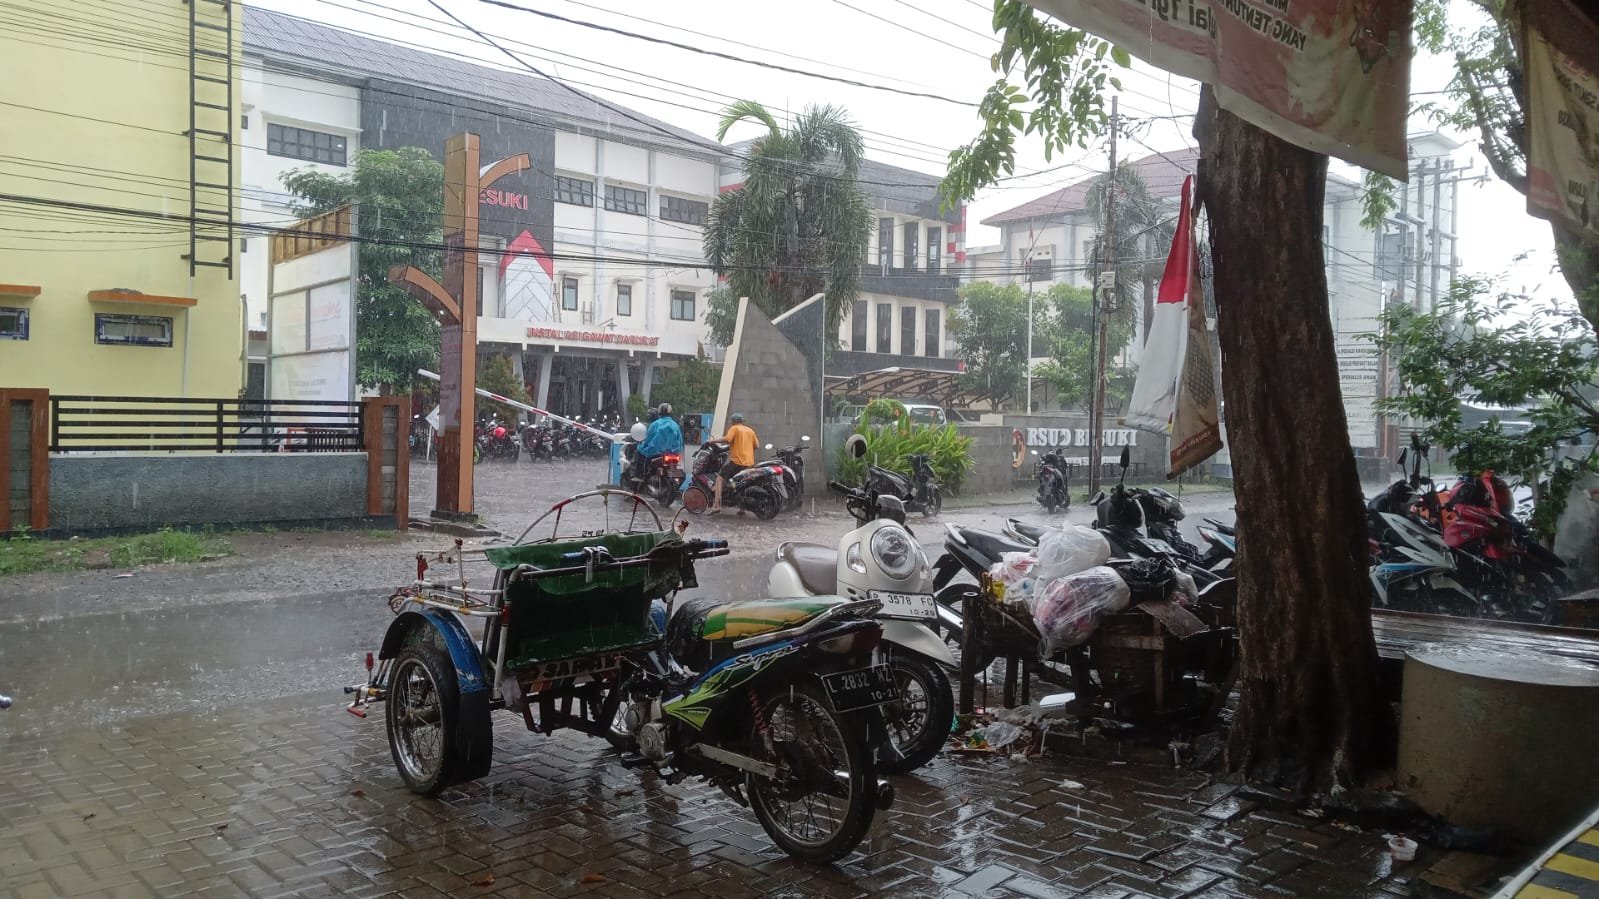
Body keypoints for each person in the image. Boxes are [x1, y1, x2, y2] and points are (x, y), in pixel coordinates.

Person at [711, 412, 756, 514]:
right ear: (742, 421)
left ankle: (717, 505)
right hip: (749, 463)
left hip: (737, 462)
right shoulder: (750, 430)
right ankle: (742, 508)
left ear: (734, 421)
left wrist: (713, 441)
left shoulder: (734, 428)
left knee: (719, 479)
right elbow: (756, 445)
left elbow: (727, 439)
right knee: (742, 484)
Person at [630, 403, 682, 485]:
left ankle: (639, 476)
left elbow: (648, 439)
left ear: (659, 412)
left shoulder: (655, 424)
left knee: (638, 452)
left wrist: (641, 446)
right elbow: (680, 440)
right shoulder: (675, 425)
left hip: (655, 452)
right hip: (673, 453)